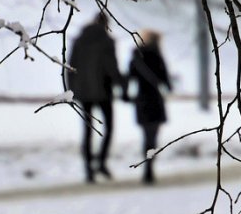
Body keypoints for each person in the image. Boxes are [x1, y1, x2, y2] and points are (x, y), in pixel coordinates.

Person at [66, 12, 123, 183]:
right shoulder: (107, 42)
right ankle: (101, 162)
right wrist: (121, 83)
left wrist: (72, 90)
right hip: (104, 92)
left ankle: (88, 168)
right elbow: (111, 67)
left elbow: (70, 66)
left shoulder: (79, 41)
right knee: (109, 127)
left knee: (87, 131)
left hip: (84, 92)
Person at [123, 30, 172, 184]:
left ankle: (147, 168)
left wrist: (125, 95)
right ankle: (149, 167)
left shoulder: (136, 57)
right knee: (153, 136)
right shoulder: (157, 56)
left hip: (141, 100)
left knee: (146, 136)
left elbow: (128, 77)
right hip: (155, 100)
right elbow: (166, 81)